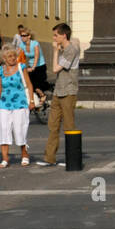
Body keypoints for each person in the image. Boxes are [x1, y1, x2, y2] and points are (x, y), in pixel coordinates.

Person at [36, 23, 80, 166]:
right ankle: (49, 158)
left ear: (63, 35)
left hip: (68, 91)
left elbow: (55, 69)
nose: (54, 38)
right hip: (58, 91)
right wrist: (57, 50)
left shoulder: (71, 50)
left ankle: (71, 158)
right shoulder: (63, 49)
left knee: (69, 126)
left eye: (56, 35)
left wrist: (55, 52)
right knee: (53, 126)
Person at [0, 47, 36, 167]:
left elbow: (29, 84)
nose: (12, 58)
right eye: (9, 56)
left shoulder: (21, 68)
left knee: (19, 129)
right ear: (4, 59)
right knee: (3, 129)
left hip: (20, 103)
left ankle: (24, 154)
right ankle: (5, 158)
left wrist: (31, 100)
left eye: (13, 56)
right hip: (4, 104)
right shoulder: (0, 71)